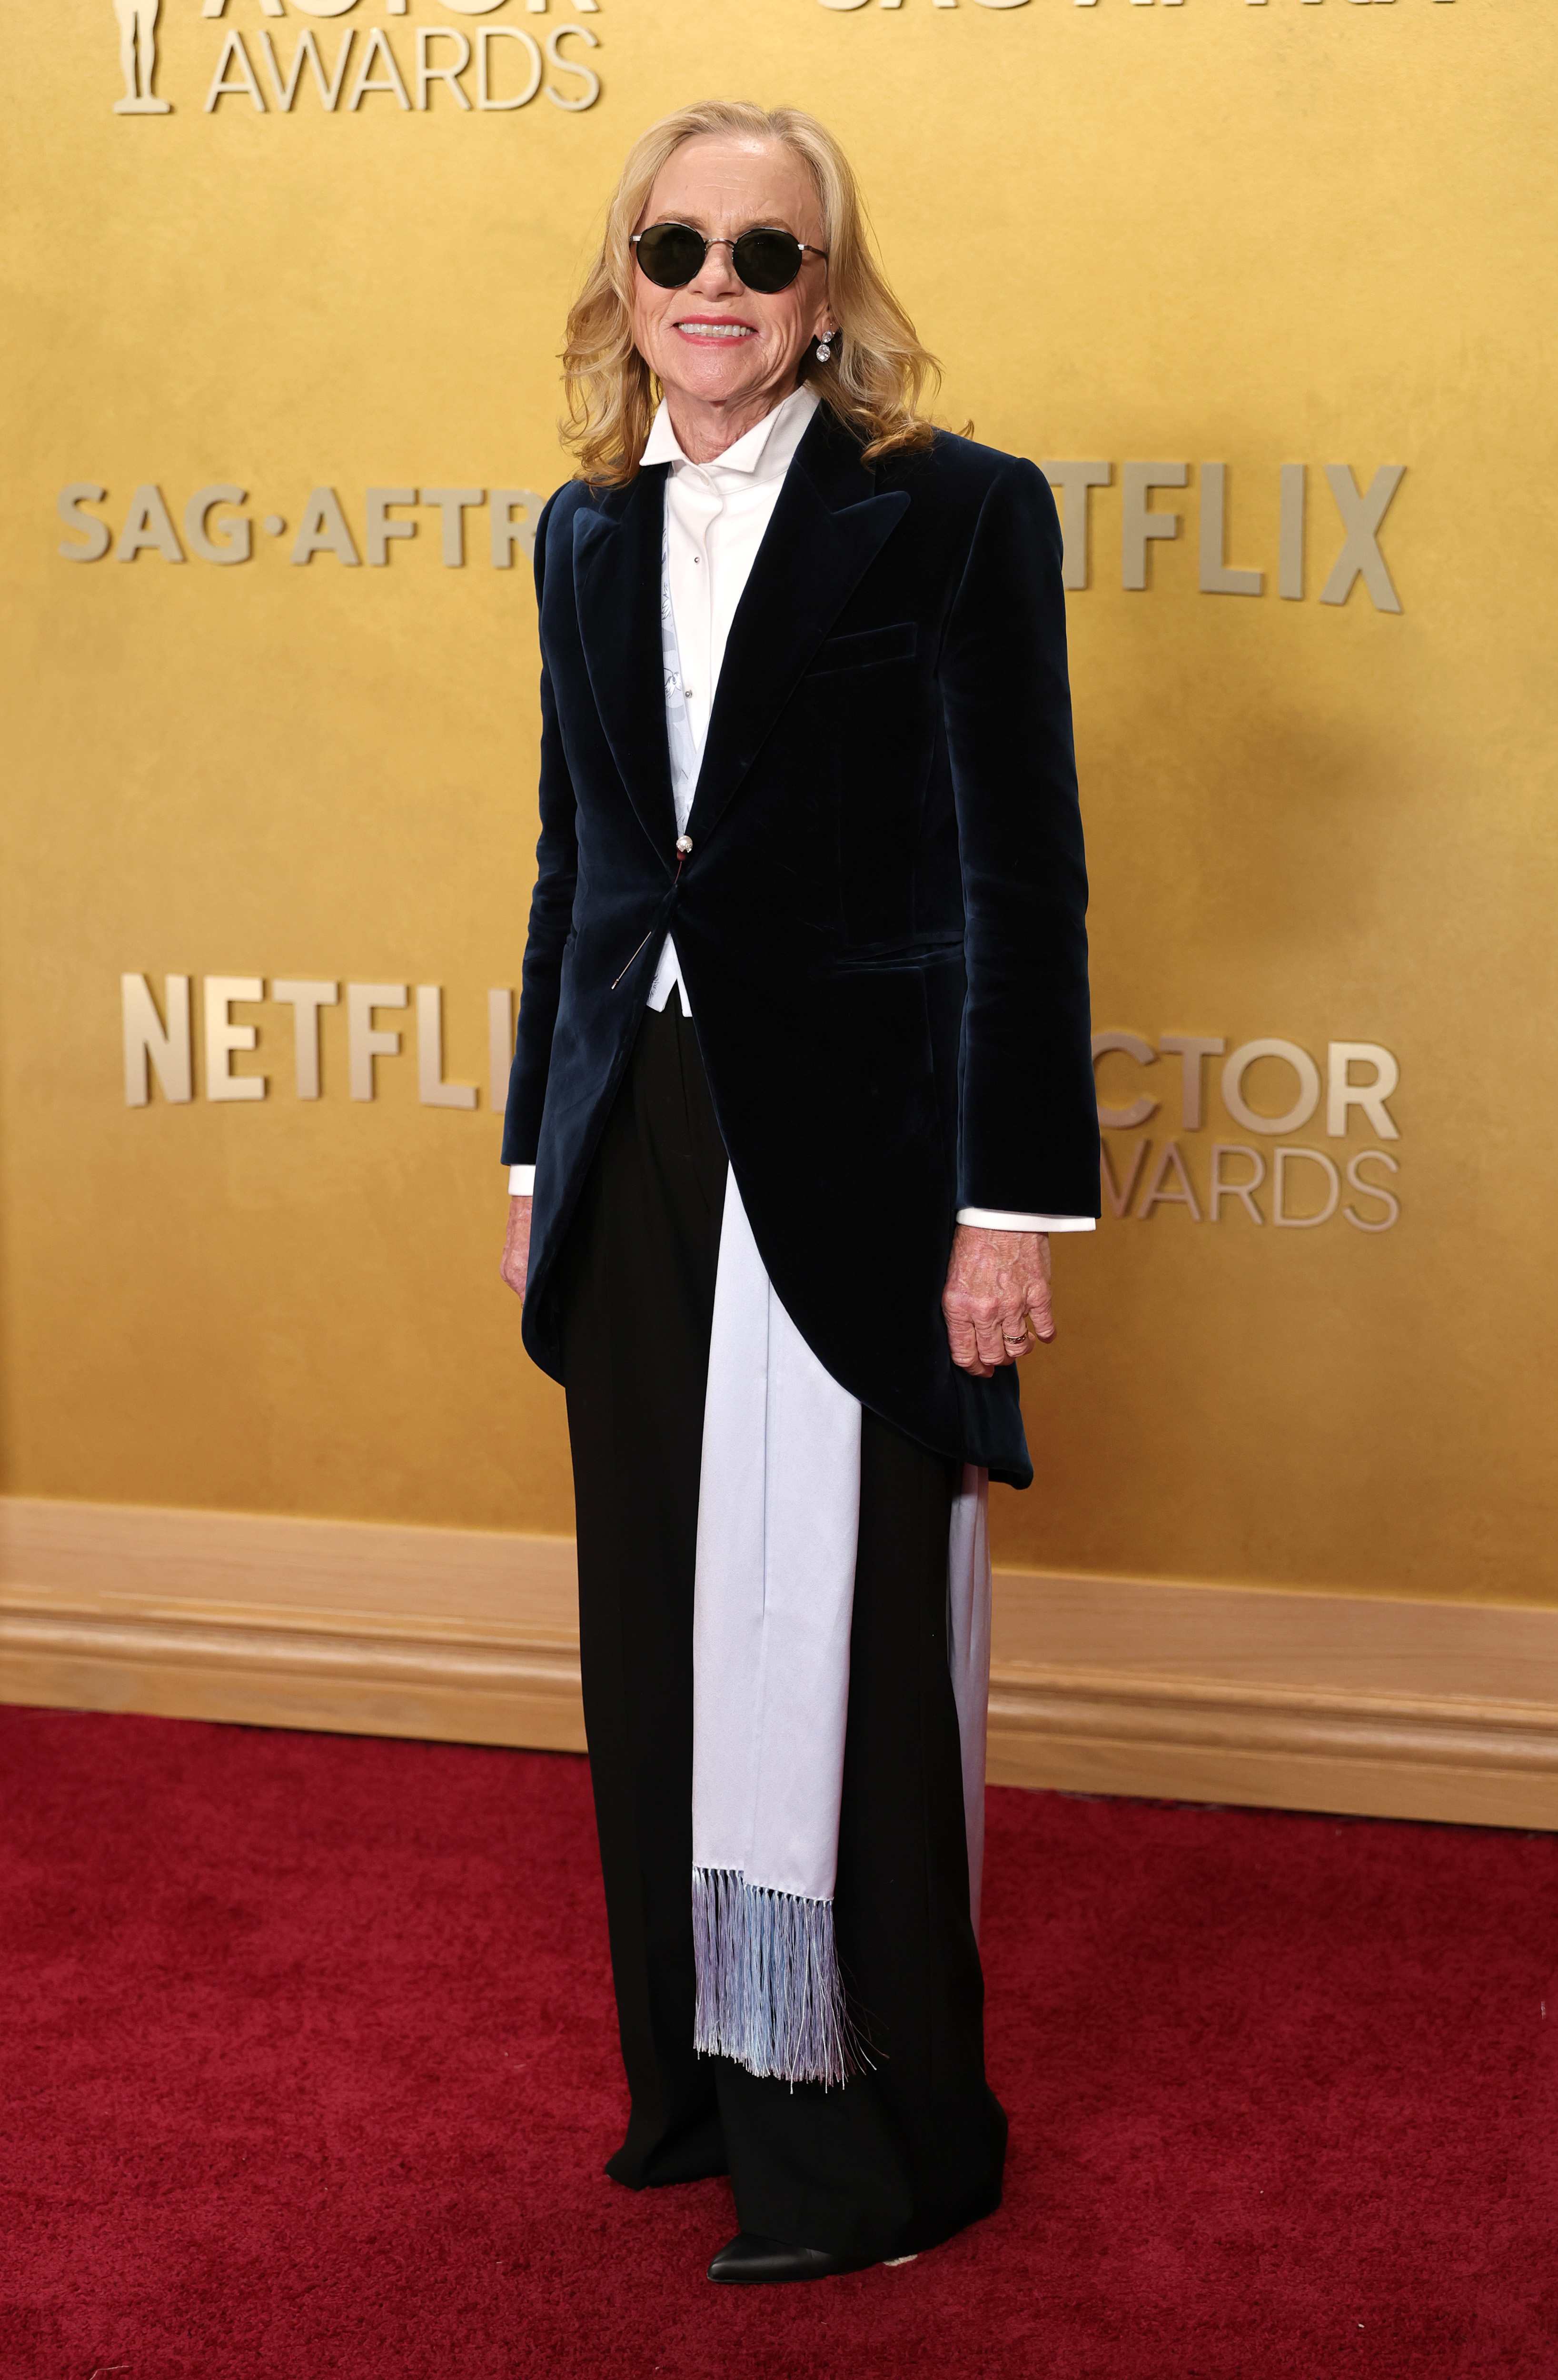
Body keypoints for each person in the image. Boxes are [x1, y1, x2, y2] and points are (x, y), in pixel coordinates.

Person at [498, 99, 1098, 2284]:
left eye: (767, 250)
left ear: (825, 290)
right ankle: (698, 2088)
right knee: (654, 1630)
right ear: (627, 274)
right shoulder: (581, 535)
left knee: (840, 1648)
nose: (718, 285)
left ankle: (875, 2156)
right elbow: (578, 866)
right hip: (636, 1139)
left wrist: (1008, 1204)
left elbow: (1020, 874)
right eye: (679, 246)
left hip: (859, 1166)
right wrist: (536, 1148)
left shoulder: (957, 512)